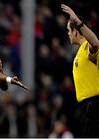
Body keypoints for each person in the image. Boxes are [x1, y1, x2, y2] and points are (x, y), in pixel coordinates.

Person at [61, 4, 99, 137]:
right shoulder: (79, 53)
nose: (68, 33)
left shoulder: (87, 48)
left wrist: (78, 22)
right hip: (86, 107)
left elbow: (95, 43)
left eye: (68, 30)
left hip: (93, 105)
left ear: (76, 31)